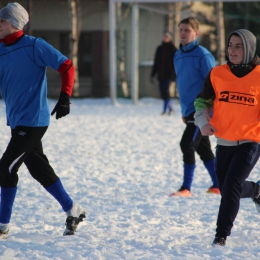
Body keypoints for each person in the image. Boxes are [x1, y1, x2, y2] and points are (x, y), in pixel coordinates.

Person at [0, 2, 85, 238]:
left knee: (6, 168)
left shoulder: (34, 45)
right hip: (17, 121)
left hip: (34, 120)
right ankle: (72, 209)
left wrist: (65, 97)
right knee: (39, 170)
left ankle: (2, 226)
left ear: (15, 23)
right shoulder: (1, 48)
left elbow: (67, 66)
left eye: (2, 21)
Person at [194, 29, 260, 247]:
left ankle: (220, 236)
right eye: (230, 45)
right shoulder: (217, 74)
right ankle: (257, 190)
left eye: (238, 46)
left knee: (230, 187)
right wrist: (203, 123)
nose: (232, 50)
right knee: (228, 188)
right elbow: (202, 102)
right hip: (223, 142)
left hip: (251, 141)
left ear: (249, 49)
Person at [170, 17, 219, 197]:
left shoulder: (203, 55)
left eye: (187, 30)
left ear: (196, 33)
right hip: (188, 111)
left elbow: (214, 86)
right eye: (181, 29)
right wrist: (184, 111)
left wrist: (210, 113)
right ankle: (219, 183)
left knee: (187, 143)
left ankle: (186, 188)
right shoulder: (177, 55)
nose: (182, 33)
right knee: (202, 148)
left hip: (201, 111)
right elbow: (184, 84)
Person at [151, 31, 177, 115]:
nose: (165, 38)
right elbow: (156, 62)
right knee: (162, 92)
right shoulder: (160, 48)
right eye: (164, 36)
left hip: (169, 75)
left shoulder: (173, 49)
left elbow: (175, 64)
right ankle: (170, 108)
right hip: (161, 74)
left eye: (167, 37)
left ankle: (165, 110)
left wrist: (174, 75)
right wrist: (153, 73)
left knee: (165, 91)